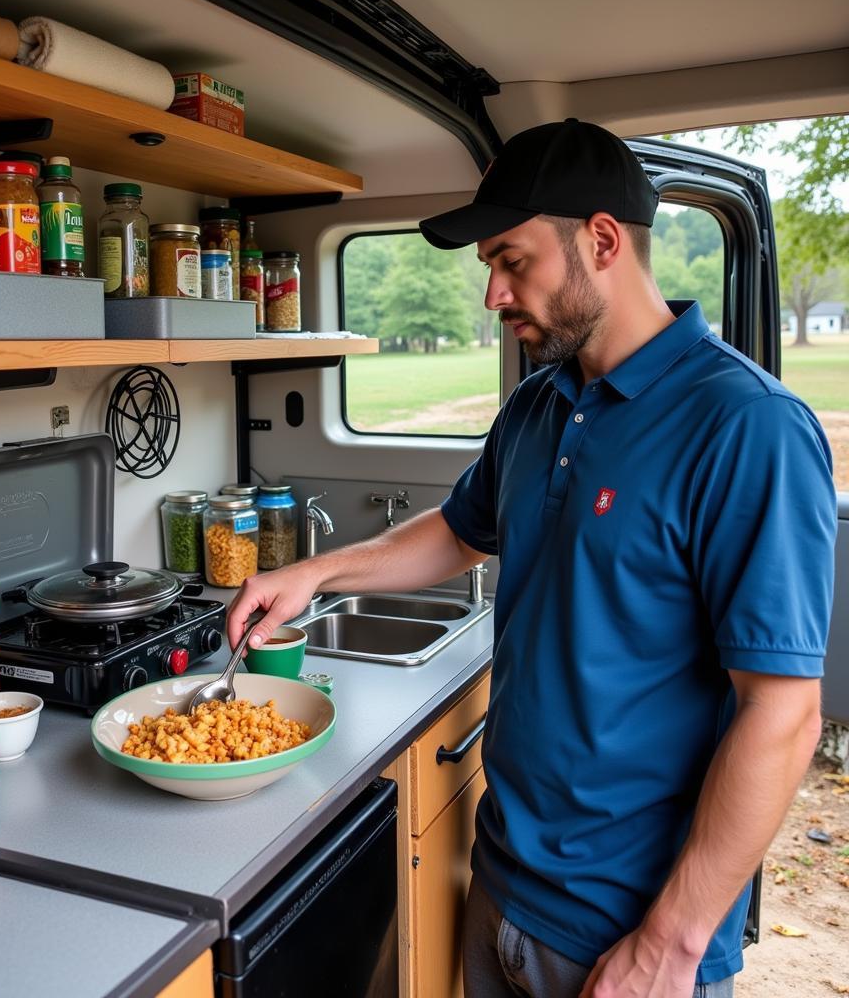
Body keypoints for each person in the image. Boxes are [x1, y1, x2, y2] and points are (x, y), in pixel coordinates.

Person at [227, 119, 838, 997]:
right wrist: (313, 573)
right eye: (489, 268)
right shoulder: (540, 405)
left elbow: (782, 716)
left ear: (600, 240)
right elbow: (460, 529)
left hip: (627, 928)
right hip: (506, 879)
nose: (493, 295)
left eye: (513, 261)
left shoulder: (748, 428)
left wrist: (666, 946)